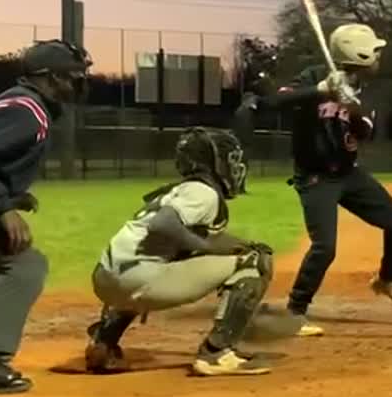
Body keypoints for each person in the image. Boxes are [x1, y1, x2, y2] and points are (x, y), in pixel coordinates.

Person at [238, 22, 392, 336]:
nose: (378, 58)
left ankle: (387, 279)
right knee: (325, 247)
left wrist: (351, 105)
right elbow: (276, 102)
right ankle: (296, 310)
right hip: (315, 176)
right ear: (357, 54)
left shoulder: (365, 87)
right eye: (373, 52)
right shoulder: (313, 76)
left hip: (348, 172)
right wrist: (320, 90)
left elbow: (365, 132)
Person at [84, 127, 277, 377]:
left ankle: (104, 343)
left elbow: (196, 237)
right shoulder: (203, 192)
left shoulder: (179, 190)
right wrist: (210, 248)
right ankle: (217, 353)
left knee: (189, 254)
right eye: (229, 159)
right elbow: (164, 224)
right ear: (213, 162)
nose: (235, 167)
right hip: (140, 281)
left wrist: (237, 244)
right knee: (256, 261)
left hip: (105, 279)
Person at [0, 40, 91, 395]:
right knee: (24, 266)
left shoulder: (25, 103)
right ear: (49, 77)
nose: (79, 82)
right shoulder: (26, 110)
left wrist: (14, 196)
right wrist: (3, 208)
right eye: (73, 76)